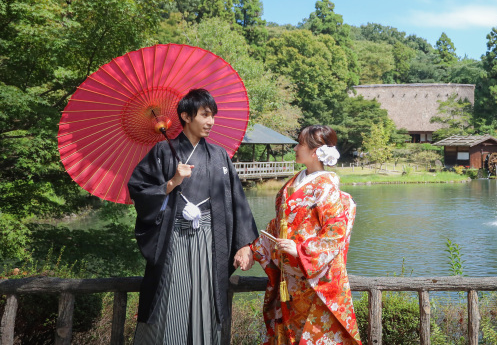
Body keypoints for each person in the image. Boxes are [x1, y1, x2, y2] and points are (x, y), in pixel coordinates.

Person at [128, 88, 259, 344]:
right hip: (174, 239)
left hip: (211, 240)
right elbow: (140, 191)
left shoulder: (220, 156)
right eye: (205, 115)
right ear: (186, 116)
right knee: (170, 297)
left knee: (207, 299)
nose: (211, 122)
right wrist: (172, 182)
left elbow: (237, 201)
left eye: (213, 116)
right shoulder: (162, 152)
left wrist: (244, 245)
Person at [253, 125, 362, 345]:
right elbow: (279, 224)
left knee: (314, 334)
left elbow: (335, 233)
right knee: (290, 332)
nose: (295, 148)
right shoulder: (295, 182)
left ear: (314, 152)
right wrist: (255, 247)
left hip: (313, 276)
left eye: (300, 144)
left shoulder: (327, 186)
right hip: (290, 277)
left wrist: (301, 250)